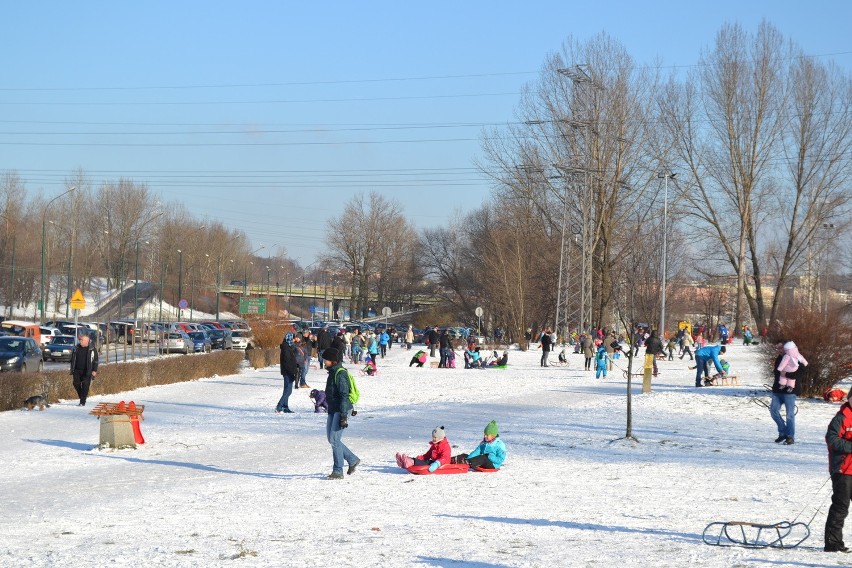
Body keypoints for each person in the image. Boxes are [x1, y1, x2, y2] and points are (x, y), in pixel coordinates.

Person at [322, 347, 359, 479]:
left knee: (335, 439)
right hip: (333, 409)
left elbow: (344, 395)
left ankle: (338, 471)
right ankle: (352, 459)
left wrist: (343, 415)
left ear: (333, 360)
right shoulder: (332, 372)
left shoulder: (340, 373)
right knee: (331, 439)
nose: (324, 361)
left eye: (326, 359)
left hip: (342, 409)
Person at [824, 390, 852, 552]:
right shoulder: (841, 418)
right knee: (841, 506)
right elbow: (832, 439)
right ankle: (833, 543)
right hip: (842, 469)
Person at [770, 341, 803, 445]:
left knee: (789, 415)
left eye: (781, 348)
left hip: (790, 391)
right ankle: (782, 432)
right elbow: (776, 373)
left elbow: (800, 374)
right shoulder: (779, 358)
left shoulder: (795, 357)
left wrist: (787, 374)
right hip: (777, 390)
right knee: (773, 411)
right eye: (777, 348)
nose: (779, 350)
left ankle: (790, 436)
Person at [70, 334, 98, 406]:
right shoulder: (77, 348)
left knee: (85, 385)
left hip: (87, 370)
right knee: (76, 383)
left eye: (82, 340)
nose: (80, 341)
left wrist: (94, 370)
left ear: (87, 341)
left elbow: (95, 361)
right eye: (80, 340)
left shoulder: (92, 349)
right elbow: (73, 358)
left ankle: (82, 402)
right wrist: (72, 368)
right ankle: (82, 397)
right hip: (76, 370)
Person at [276, 335, 299, 413]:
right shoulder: (286, 348)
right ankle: (279, 406)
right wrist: (293, 371)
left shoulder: (288, 347)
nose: (293, 340)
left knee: (288, 390)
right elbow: (287, 362)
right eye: (292, 338)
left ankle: (285, 406)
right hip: (287, 372)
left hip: (289, 371)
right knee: (287, 391)